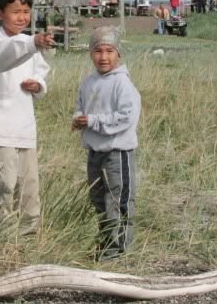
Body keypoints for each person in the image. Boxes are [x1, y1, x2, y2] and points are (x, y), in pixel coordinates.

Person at [0, 0, 53, 237]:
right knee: (5, 183)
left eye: (26, 11)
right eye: (15, 11)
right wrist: (32, 42)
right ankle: (3, 234)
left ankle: (29, 234)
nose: (22, 17)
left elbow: (41, 70)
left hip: (24, 127)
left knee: (29, 185)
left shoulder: (27, 43)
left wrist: (38, 84)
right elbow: (2, 60)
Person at [72, 27, 141, 261]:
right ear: (91, 53)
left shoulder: (122, 84)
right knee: (99, 200)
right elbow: (81, 106)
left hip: (116, 152)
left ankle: (118, 251)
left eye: (109, 51)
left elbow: (126, 117)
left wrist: (92, 121)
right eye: (98, 51)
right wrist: (79, 119)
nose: (103, 57)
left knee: (118, 200)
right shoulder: (89, 82)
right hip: (95, 152)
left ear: (118, 53)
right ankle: (105, 243)